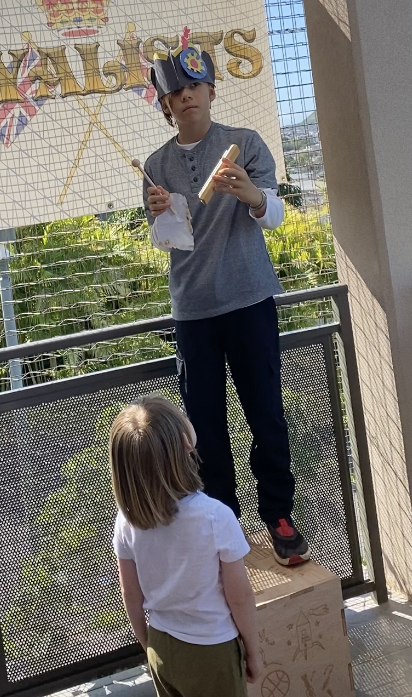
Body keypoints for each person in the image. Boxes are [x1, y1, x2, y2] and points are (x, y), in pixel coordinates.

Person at [143, 35, 310, 566]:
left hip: (250, 299)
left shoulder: (245, 142)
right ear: (165, 105)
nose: (186, 96)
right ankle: (223, 523)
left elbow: (275, 215)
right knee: (204, 428)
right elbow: (167, 242)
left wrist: (253, 195)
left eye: (195, 86)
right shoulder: (155, 166)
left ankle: (279, 515)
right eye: (176, 92)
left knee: (266, 414)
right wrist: (164, 215)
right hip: (192, 310)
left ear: (212, 91)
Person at [109, 395, 262, 697]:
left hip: (161, 644)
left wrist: (148, 644)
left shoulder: (126, 521)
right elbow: (240, 597)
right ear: (185, 444)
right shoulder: (216, 517)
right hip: (213, 649)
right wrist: (253, 651)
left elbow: (130, 594)